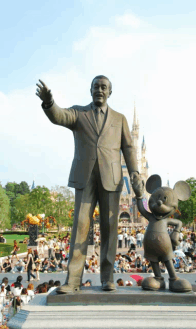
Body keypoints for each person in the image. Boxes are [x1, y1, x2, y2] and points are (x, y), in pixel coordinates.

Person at [36, 75, 142, 293]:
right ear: (90, 90)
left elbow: (129, 148)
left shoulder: (119, 118)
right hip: (85, 177)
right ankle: (73, 280)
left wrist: (134, 173)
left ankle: (108, 278)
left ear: (110, 92)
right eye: (96, 87)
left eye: (104, 87)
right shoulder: (79, 113)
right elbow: (58, 116)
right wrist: (48, 103)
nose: (100, 90)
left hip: (111, 179)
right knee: (80, 228)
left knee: (110, 229)